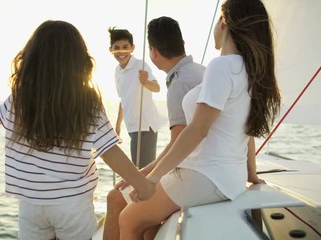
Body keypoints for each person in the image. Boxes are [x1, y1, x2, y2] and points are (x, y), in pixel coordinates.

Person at [0, 20, 156, 240]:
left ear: (33, 57)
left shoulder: (20, 97)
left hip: (31, 205)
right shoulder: (86, 99)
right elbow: (109, 150)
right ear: (77, 58)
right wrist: (142, 184)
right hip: (71, 205)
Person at [119, 0, 280, 238]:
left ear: (224, 23)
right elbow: (247, 130)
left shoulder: (222, 66)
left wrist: (153, 178)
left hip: (204, 176)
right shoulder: (249, 69)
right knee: (147, 223)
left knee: (128, 219)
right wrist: (251, 175)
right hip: (229, 180)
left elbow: (197, 129)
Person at [103, 17, 205, 240]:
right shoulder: (203, 71)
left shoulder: (178, 83)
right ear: (183, 42)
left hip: (190, 170)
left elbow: (178, 144)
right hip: (197, 168)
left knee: (119, 204)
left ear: (153, 51)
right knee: (143, 220)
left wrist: (141, 176)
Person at [108, 27, 165, 169]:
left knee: (142, 170)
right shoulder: (117, 71)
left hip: (145, 125)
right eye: (117, 48)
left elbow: (157, 88)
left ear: (132, 48)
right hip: (132, 126)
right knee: (140, 169)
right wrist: (118, 125)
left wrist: (146, 82)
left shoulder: (140, 65)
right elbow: (123, 99)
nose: (121, 51)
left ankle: (147, 192)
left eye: (126, 47)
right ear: (111, 50)